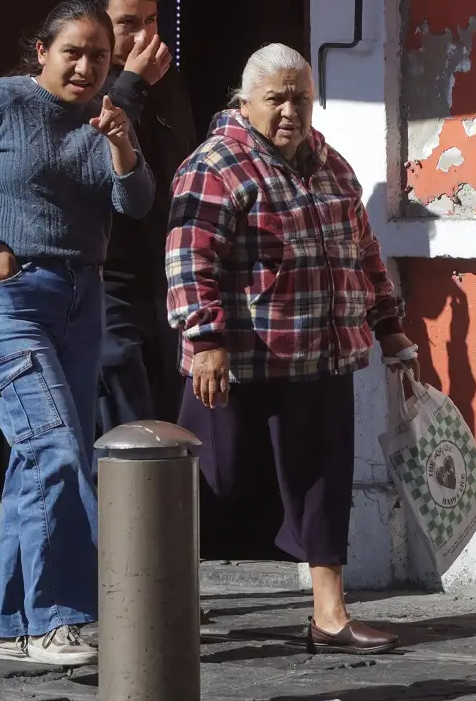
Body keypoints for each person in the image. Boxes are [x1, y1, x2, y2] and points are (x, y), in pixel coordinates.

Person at [0, 0, 154, 665]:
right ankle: (59, 620)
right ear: (41, 51)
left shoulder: (105, 119)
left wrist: (123, 145)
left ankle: (9, 626)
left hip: (82, 300)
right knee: (54, 452)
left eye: (99, 57)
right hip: (7, 300)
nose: (84, 66)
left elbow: (136, 204)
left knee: (36, 461)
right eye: (72, 51)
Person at [166, 43, 417, 654]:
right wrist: (204, 341)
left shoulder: (332, 166)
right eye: (275, 98)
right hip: (238, 362)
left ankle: (330, 616)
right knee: (210, 483)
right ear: (245, 101)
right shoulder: (216, 165)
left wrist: (391, 330)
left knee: (323, 485)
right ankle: (164, 604)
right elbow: (188, 258)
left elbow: (364, 255)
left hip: (321, 355)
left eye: (300, 97)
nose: (289, 110)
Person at [79, 0, 197, 432]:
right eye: (128, 24)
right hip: (109, 281)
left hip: (166, 276)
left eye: (151, 21)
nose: (144, 37)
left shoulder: (168, 85)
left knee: (172, 418)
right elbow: (91, 162)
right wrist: (130, 84)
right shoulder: (81, 84)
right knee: (123, 422)